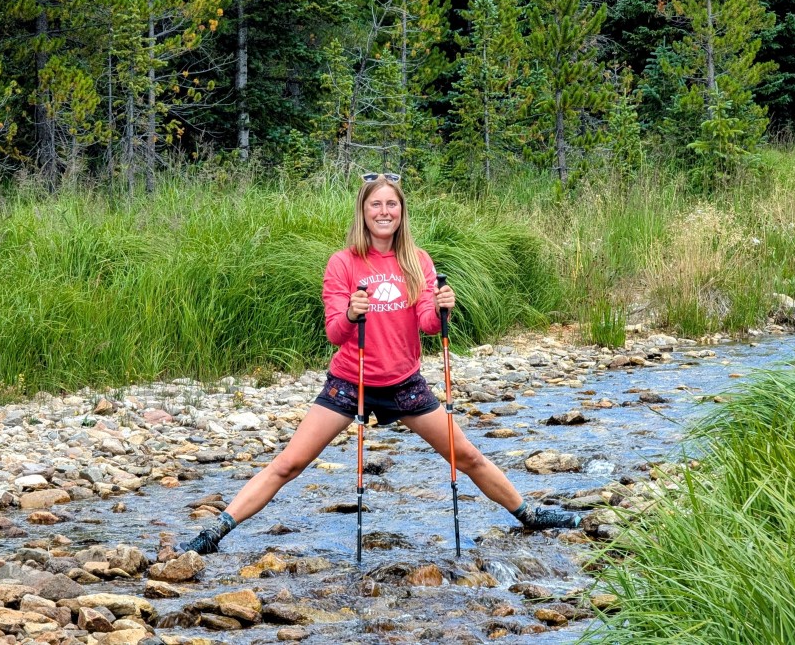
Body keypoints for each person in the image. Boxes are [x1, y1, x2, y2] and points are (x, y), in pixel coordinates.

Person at [178, 172, 579, 555]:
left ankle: (529, 515)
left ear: (401, 212)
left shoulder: (417, 261)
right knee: (290, 463)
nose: (384, 211)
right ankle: (215, 531)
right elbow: (335, 333)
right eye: (376, 204)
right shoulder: (343, 263)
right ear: (363, 210)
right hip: (351, 382)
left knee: (468, 456)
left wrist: (443, 309)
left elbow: (426, 324)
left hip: (404, 384)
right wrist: (352, 313)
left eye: (392, 204)